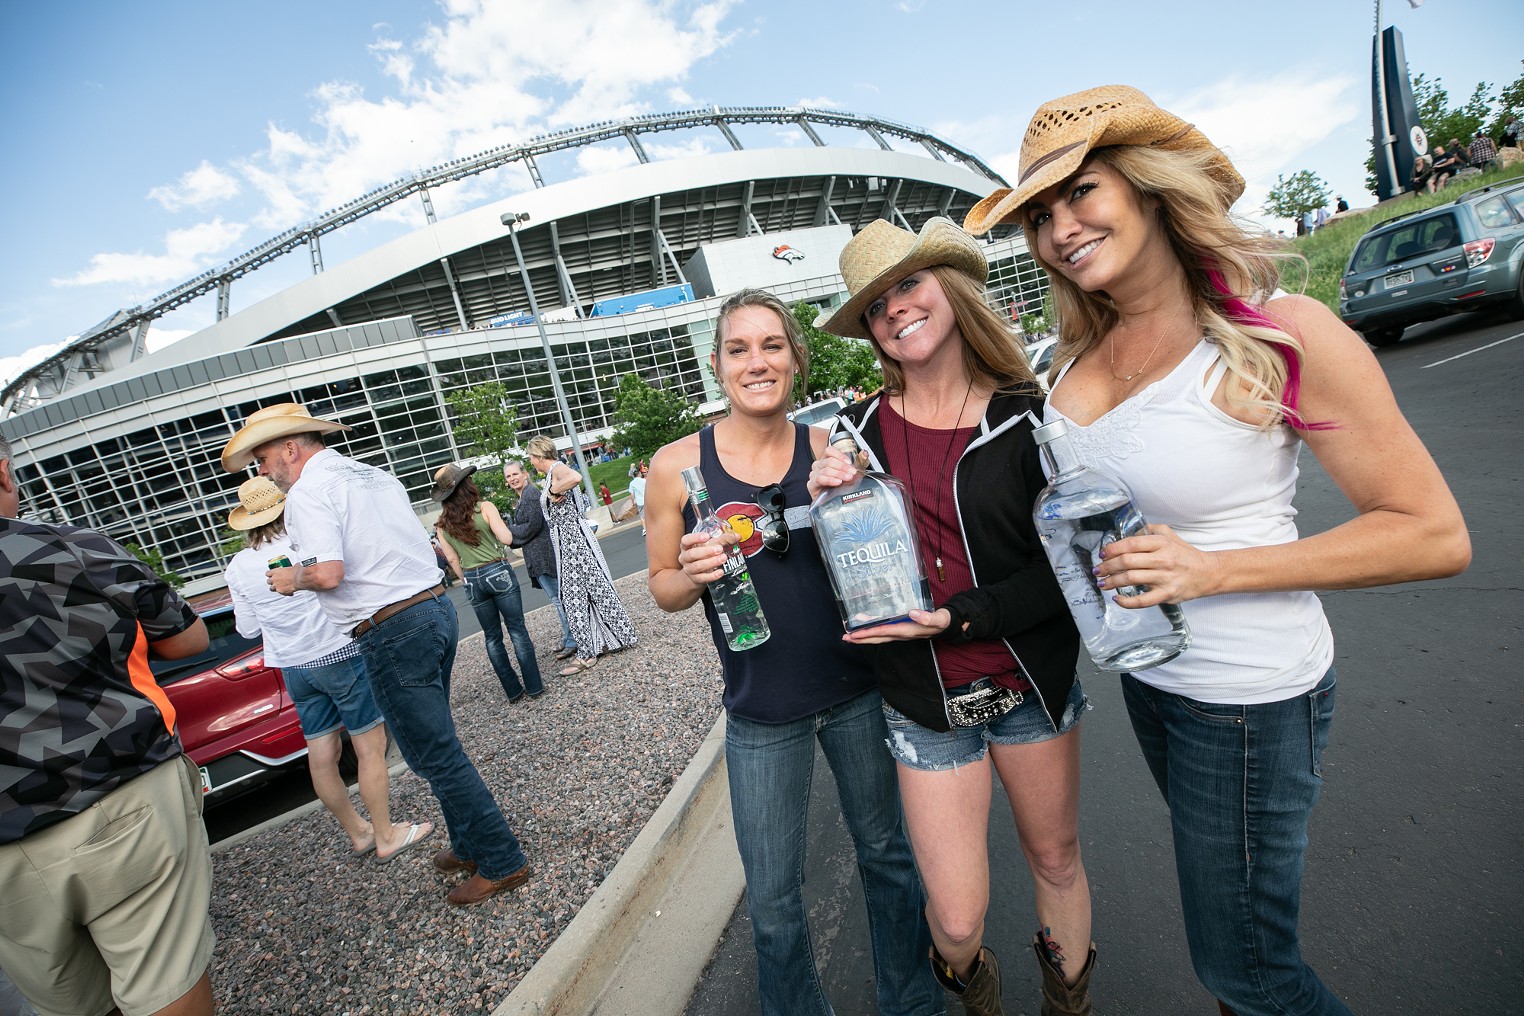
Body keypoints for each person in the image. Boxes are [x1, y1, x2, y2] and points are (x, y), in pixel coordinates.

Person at [963, 84, 1471, 1015]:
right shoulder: (1072, 360)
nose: (1061, 230)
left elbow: (1432, 532)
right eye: (1039, 217)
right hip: (1157, 687)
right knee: (1243, 957)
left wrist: (1211, 571)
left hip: (1248, 698)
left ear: (1152, 191)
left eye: (1083, 194)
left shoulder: (1274, 330)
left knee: (1248, 969)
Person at [811, 217, 1092, 1016]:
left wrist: (959, 618)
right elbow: (849, 569)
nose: (895, 310)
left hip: (1029, 686)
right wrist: (833, 505)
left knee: (1058, 861)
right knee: (959, 920)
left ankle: (1070, 1004)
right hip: (928, 710)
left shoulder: (1031, 417)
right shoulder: (857, 436)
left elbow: (1069, 571)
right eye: (875, 305)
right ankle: (977, 994)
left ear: (951, 287)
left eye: (908, 285)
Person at [646, 289, 943, 1016]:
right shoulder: (675, 468)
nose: (758, 362)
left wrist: (857, 498)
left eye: (772, 345)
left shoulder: (831, 451)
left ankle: (912, 1003)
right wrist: (689, 571)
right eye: (739, 349)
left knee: (889, 862)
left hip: (859, 692)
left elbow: (888, 553)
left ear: (795, 359)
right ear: (717, 366)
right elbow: (661, 588)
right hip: (761, 711)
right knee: (774, 901)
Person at [221, 403, 534, 907]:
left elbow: (326, 574)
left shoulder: (307, 492)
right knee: (433, 744)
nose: (261, 469)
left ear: (289, 448)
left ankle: (501, 859)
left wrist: (290, 578)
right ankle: (470, 844)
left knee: (433, 752)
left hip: (390, 627)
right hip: (433, 609)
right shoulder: (372, 475)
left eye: (261, 458)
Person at [1, 434, 218, 1016]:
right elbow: (189, 636)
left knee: (74, 1005)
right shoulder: (61, 548)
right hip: (115, 793)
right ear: (2, 473)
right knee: (164, 981)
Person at [224, 475, 433, 860]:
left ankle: (358, 832)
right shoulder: (303, 543)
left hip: (293, 667)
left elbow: (247, 628)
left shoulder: (237, 566)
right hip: (337, 653)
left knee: (321, 754)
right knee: (369, 747)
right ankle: (386, 834)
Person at [430, 463, 545, 703]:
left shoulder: (441, 525)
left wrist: (466, 577)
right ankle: (534, 686)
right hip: (497, 570)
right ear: (467, 485)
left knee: (492, 637)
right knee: (516, 629)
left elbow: (451, 559)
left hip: (471, 579)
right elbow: (507, 538)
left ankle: (513, 691)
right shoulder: (485, 508)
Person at [524, 435, 637, 676]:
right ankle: (613, 637)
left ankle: (587, 653)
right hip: (570, 538)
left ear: (539, 456)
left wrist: (553, 490)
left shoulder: (557, 469)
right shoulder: (553, 471)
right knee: (593, 589)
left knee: (573, 597)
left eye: (531, 457)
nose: (530, 462)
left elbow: (575, 478)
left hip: (571, 539)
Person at [503, 459, 578, 660]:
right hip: (538, 557)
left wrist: (506, 532)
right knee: (557, 598)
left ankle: (573, 641)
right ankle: (569, 638)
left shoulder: (530, 496)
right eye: (508, 476)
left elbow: (532, 526)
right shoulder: (524, 497)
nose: (512, 478)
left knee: (559, 599)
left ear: (525, 474)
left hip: (544, 556)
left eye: (515, 474)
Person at [629, 468, 648, 534]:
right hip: (646, 499)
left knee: (642, 516)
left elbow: (632, 494)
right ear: (639, 474)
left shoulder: (632, 483)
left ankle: (645, 529)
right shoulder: (644, 481)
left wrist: (633, 502)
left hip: (640, 501)